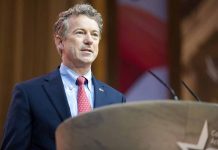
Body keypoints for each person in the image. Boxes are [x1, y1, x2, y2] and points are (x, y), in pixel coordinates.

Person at [1, 3, 126, 150]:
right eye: (80, 32)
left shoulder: (116, 99)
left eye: (94, 34)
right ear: (60, 42)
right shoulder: (29, 94)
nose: (89, 40)